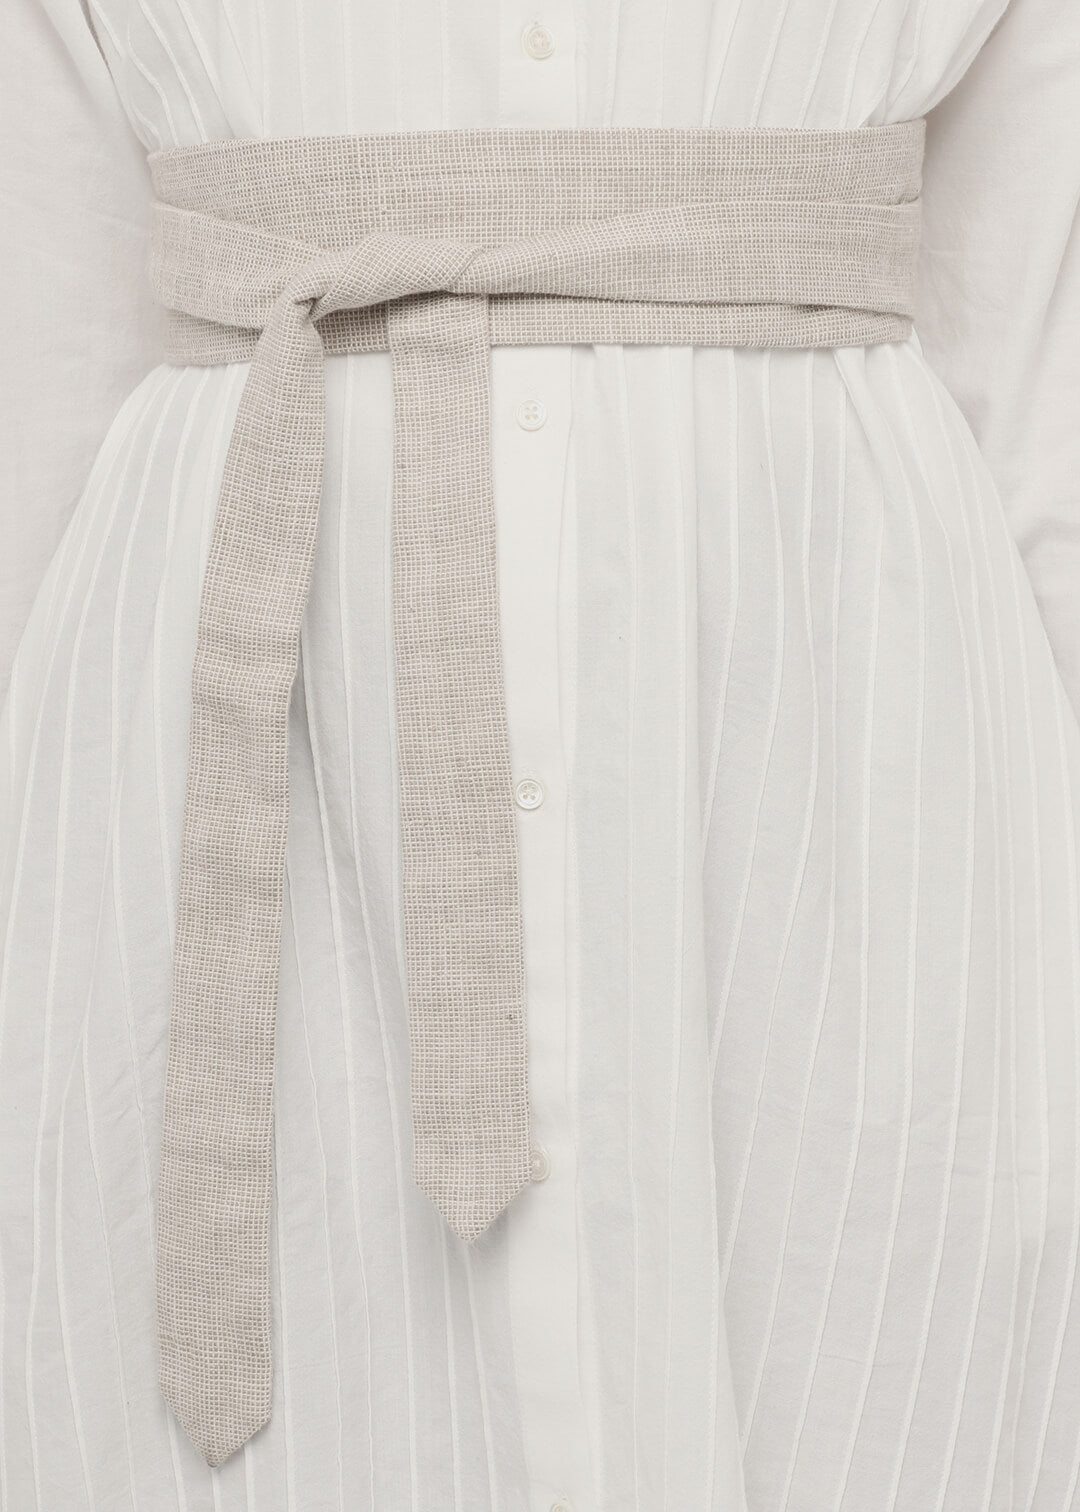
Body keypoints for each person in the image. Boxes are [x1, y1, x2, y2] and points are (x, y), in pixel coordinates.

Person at [1, 0, 1078, 1507]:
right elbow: (48, 314)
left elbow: (1032, 329)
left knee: (884, 1352)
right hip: (237, 709)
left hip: (839, 732)